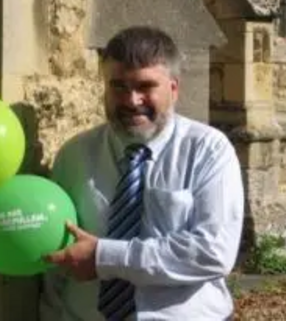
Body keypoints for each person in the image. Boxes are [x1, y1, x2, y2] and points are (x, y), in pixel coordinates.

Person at [39, 26, 244, 321]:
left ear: (174, 89)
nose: (131, 100)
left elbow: (212, 252)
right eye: (118, 86)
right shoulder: (75, 155)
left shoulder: (208, 150)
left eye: (145, 86)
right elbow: (54, 257)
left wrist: (104, 257)